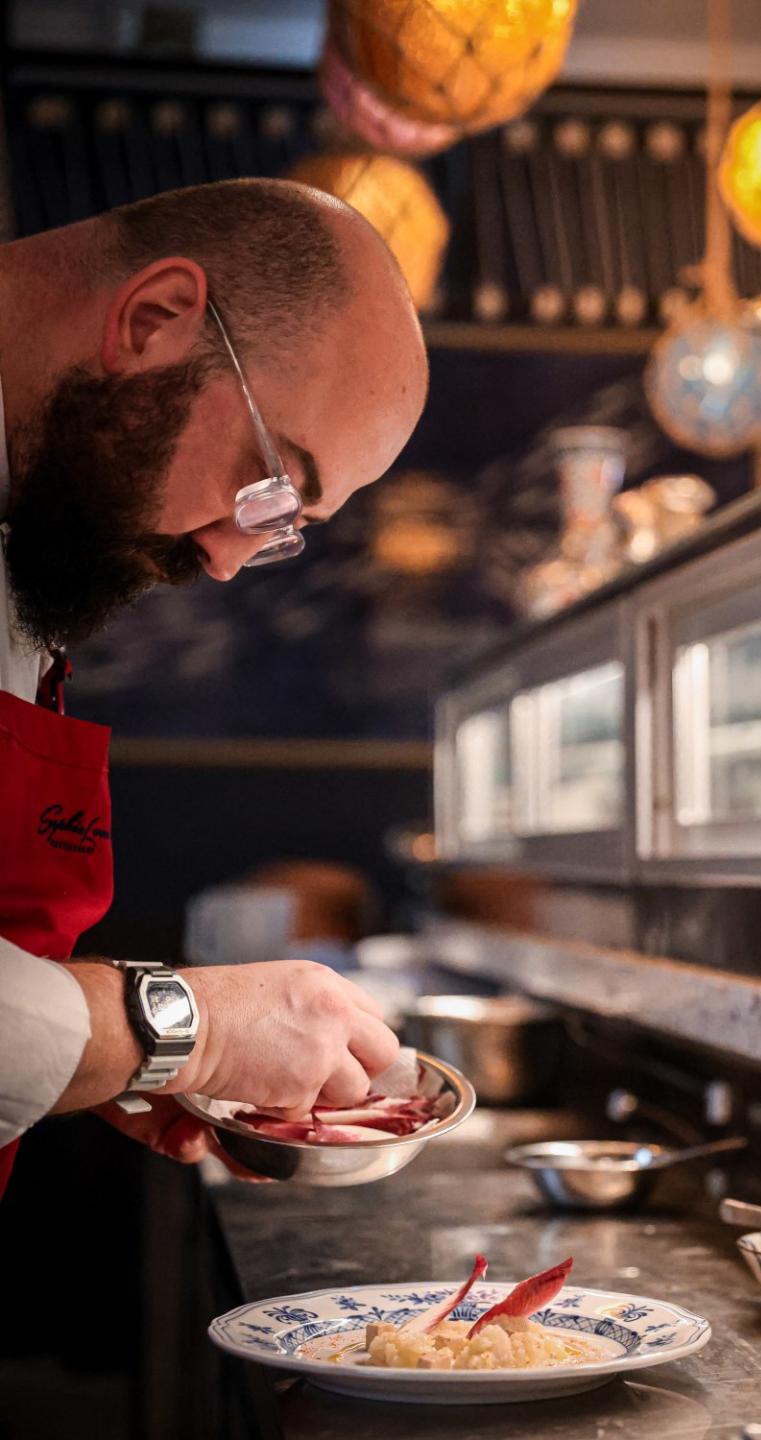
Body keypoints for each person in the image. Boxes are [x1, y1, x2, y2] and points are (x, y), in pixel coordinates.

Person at [0, 177, 428, 1193]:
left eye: (285, 527)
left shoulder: (37, 519)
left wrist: (91, 1055)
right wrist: (176, 1028)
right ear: (156, 319)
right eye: (271, 480)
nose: (233, 560)